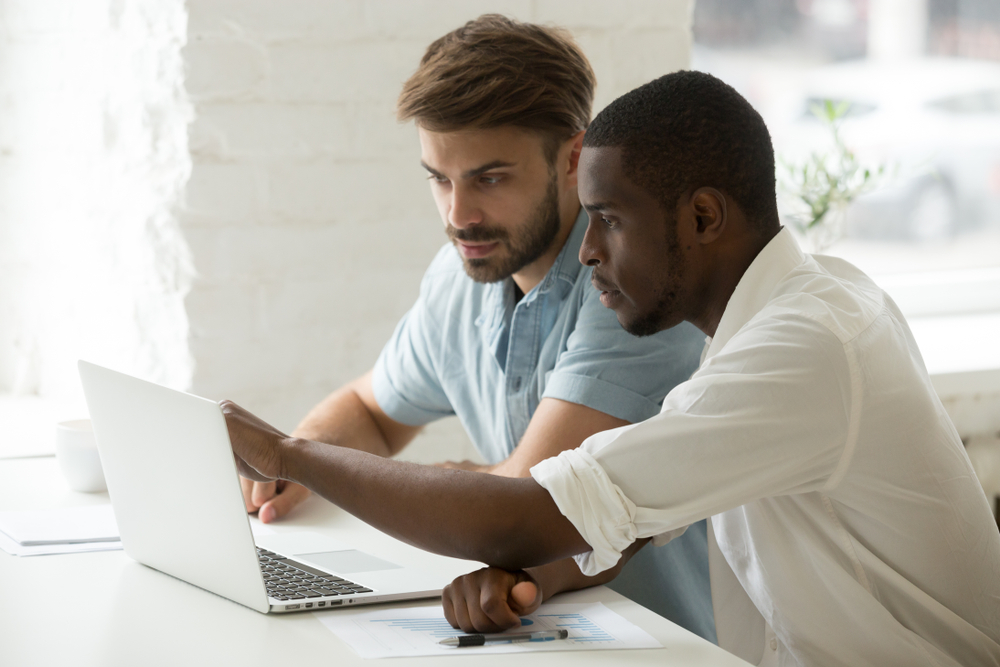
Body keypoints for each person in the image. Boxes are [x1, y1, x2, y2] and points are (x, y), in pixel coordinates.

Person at [224, 69, 1000, 666]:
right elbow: (627, 523)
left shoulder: (808, 347)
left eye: (610, 221)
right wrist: (533, 576)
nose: (588, 251)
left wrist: (290, 456)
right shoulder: (763, 323)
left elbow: (528, 508)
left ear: (702, 218)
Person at [237, 15, 714, 639]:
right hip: (534, 629)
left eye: (489, 178)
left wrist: (311, 461)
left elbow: (531, 500)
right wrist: (289, 470)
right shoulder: (460, 276)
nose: (459, 215)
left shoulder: (633, 290)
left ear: (575, 158)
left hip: (660, 641)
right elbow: (372, 411)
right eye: (440, 179)